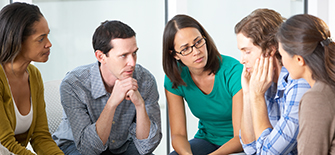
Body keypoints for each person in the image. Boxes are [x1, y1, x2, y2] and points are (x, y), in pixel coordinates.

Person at [52, 20, 162, 155]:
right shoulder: (74, 84)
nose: (132, 62)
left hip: (122, 146)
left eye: (134, 53)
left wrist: (140, 105)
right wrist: (112, 103)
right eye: (123, 55)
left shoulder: (145, 80)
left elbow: (147, 146)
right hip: (76, 147)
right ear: (101, 56)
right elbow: (88, 149)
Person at [163, 14, 244, 155]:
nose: (196, 51)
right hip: (207, 140)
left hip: (241, 144)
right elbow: (178, 134)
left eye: (198, 42)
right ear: (175, 55)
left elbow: (240, 138)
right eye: (185, 49)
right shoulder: (173, 78)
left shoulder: (233, 71)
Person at [235, 9, 310, 154]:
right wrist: (248, 93)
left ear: (270, 49)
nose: (242, 60)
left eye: (247, 51)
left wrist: (256, 97)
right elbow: (250, 148)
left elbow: (268, 153)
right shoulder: (264, 83)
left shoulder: (298, 83)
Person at [0, 2, 64, 155]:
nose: (49, 44)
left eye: (48, 35)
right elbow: (5, 143)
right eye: (41, 38)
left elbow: (40, 136)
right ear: (17, 40)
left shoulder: (34, 75)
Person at [277, 14, 335, 155]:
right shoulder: (331, 85)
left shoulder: (317, 98)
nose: (282, 63)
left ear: (299, 59)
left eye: (282, 55)